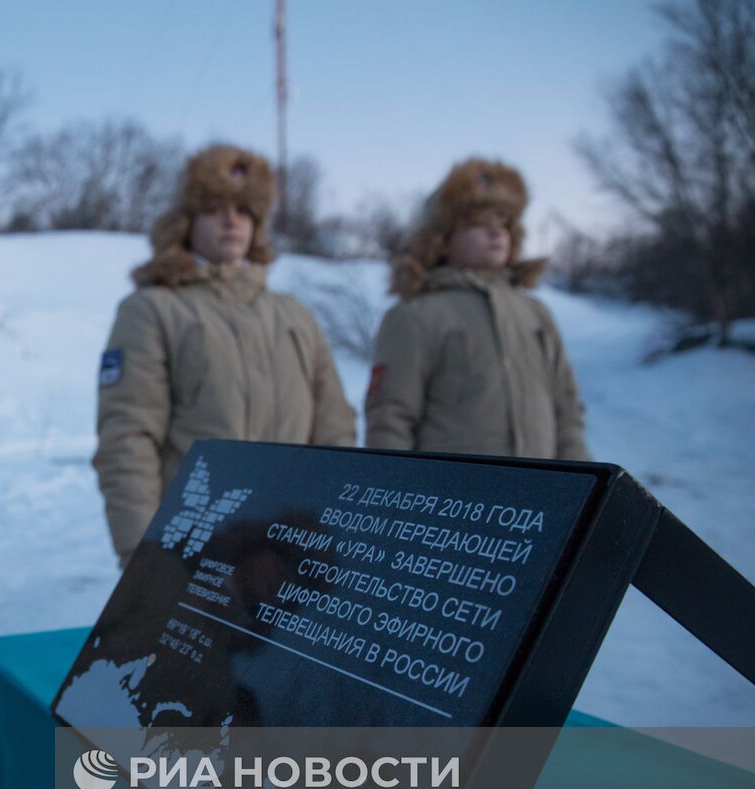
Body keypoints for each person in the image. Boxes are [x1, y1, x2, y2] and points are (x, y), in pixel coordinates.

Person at [93, 144, 356, 566]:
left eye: (244, 209)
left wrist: (332, 528)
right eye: (214, 208)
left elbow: (335, 431)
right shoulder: (153, 310)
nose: (232, 219)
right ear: (187, 221)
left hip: (291, 549)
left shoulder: (296, 316)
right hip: (191, 552)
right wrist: (143, 555)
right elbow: (128, 439)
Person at [365, 158, 589, 460]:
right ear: (442, 240)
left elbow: (567, 409)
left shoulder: (535, 314)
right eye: (478, 224)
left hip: (541, 499)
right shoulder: (415, 317)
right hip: (450, 501)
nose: (495, 233)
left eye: (502, 224)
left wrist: (582, 489)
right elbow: (390, 418)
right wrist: (392, 497)